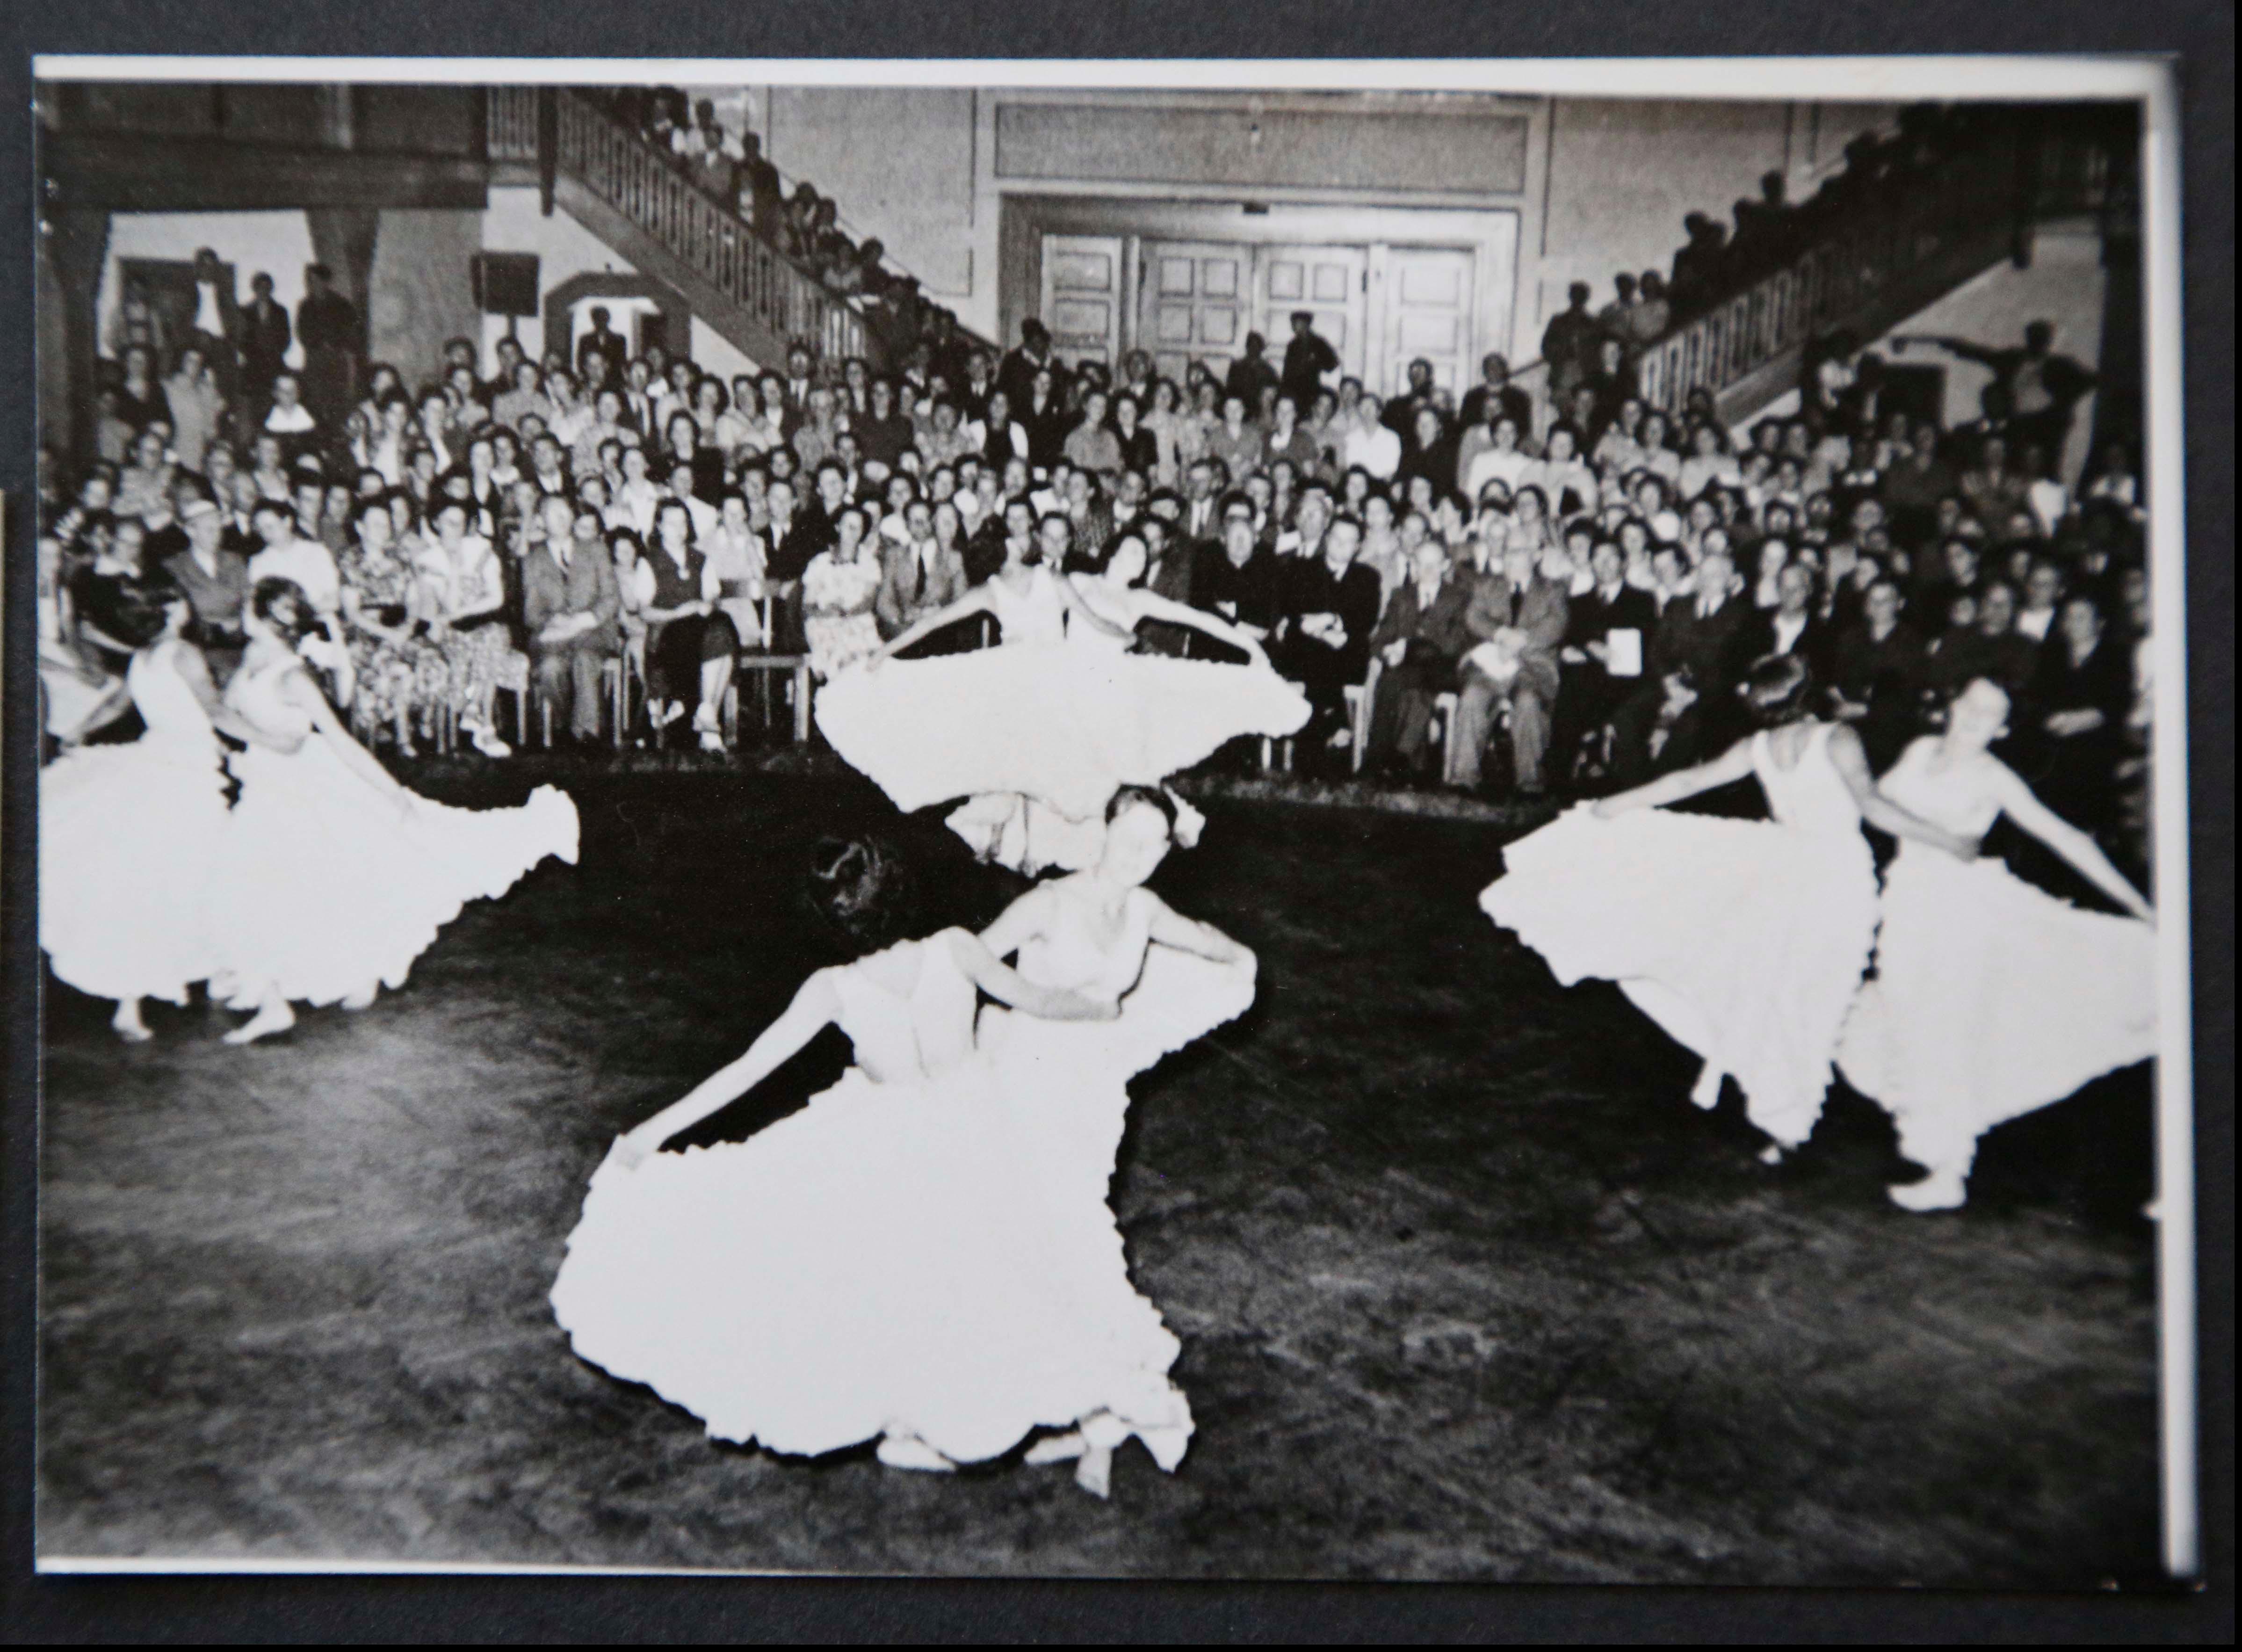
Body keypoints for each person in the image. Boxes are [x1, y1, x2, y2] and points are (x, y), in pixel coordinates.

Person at [550, 805, 1254, 1493]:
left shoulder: (835, 988)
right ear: (901, 892)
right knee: (1003, 1274)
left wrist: (649, 1134)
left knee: (892, 1281)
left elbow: (746, 1071)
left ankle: (933, 1416)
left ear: (828, 921)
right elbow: (1037, 1000)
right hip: (977, 1128)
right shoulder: (953, 947)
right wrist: (1098, 1010)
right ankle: (1016, 1413)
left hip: (890, 1137)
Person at [1482, 654, 1977, 1160]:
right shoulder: (1838, 739)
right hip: (1834, 877)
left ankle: (1793, 1108)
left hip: (1786, 870)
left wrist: (1608, 808)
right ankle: (1798, 1112)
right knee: (1816, 990)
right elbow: (1872, 806)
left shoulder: (1758, 745)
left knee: (1788, 988)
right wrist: (1948, 840)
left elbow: (1685, 783)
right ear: (1811, 693)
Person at [1834, 677, 2155, 1211]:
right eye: (1971, 705)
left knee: (1951, 1028)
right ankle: (1935, 1147)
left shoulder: (1994, 777)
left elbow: (2066, 837)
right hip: (1907, 904)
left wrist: (2143, 908)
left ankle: (1950, 1171)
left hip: (1963, 912)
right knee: (1909, 1020)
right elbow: (1871, 803)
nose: (1976, 718)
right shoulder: (1918, 751)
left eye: (1992, 714)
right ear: (1952, 706)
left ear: (2001, 729)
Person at [212, 578, 577, 1044]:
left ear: (264, 617)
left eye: (246, 606)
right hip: (265, 782)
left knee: (339, 865)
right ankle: (324, 975)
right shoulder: (249, 661)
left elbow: (336, 741)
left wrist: (394, 793)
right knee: (314, 876)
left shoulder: (292, 677)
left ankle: (299, 990)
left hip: (301, 781)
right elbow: (231, 712)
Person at [38, 580, 254, 1041]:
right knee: (193, 874)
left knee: (153, 877)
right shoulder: (183, 653)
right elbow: (214, 711)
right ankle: (202, 971)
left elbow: (118, 703)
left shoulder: (143, 657)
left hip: (157, 761)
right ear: (174, 608)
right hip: (186, 775)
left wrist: (78, 729)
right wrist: (271, 736)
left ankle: (151, 994)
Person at [1450, 537, 1569, 795]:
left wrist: (1519, 641)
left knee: (1528, 700)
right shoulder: (1488, 585)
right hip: (1492, 664)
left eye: (1519, 556)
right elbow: (1473, 617)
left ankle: (1530, 782)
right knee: (1472, 697)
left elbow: (1556, 625)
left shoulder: (1553, 589)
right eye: (1508, 556)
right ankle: (1463, 777)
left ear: (1536, 558)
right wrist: (1500, 634)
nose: (1512, 563)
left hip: (1532, 666)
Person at [1362, 535, 1474, 781]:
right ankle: (1408, 763)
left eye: (1434, 564)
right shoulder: (1401, 595)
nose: (1428, 570)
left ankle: (1376, 759)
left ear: (1446, 565)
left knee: (1395, 680)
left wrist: (1408, 646)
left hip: (1442, 669)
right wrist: (1387, 652)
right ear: (1413, 564)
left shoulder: (1459, 598)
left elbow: (1453, 644)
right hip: (1407, 672)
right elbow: (1380, 638)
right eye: (1422, 563)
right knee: (1412, 692)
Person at [522, 493, 623, 746]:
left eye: (566, 512)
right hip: (554, 635)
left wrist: (586, 619)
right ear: (540, 520)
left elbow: (611, 597)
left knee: (584, 659)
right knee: (550, 669)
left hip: (593, 631)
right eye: (553, 513)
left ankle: (587, 736)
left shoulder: (596, 550)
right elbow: (531, 614)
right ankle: (565, 719)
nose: (561, 519)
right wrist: (555, 623)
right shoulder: (533, 560)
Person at [1279, 311, 1340, 413]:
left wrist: (1316, 361)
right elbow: (1287, 371)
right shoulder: (1293, 345)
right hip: (1293, 391)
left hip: (1312, 391)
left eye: (1297, 323)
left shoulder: (1319, 343)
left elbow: (1333, 364)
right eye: (1293, 323)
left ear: (1307, 324)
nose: (1294, 327)